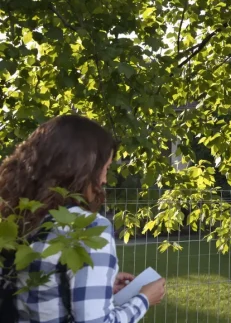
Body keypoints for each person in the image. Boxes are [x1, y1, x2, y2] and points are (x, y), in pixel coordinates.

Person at [0, 114, 165, 323]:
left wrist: (99, 287)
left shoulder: (14, 219)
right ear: (82, 170)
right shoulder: (88, 228)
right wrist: (143, 299)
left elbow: (38, 292)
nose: (105, 180)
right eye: (105, 168)